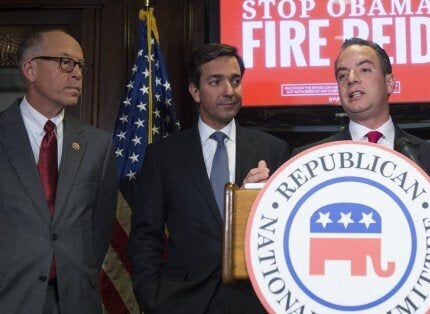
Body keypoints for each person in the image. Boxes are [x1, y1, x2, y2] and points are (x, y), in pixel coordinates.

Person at [129, 43, 290, 313]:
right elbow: (146, 234)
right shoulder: (163, 156)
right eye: (216, 81)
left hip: (253, 301)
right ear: (195, 91)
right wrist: (151, 295)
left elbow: (286, 232)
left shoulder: (273, 150)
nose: (229, 90)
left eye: (235, 81)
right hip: (182, 301)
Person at [0, 29, 118, 312]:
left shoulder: (97, 144)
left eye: (80, 65)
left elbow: (99, 228)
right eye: (66, 62)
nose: (77, 73)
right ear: (30, 69)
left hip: (76, 299)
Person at [294, 37, 430, 187]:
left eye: (364, 70)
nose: (351, 79)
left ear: (389, 83)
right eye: (342, 75)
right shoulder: (308, 160)